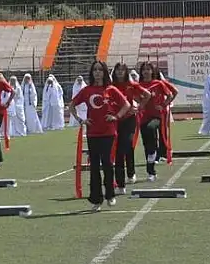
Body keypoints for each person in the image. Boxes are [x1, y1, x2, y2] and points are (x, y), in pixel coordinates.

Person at [69, 61, 130, 211]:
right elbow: (71, 105)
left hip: (108, 132)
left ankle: (110, 194)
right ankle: (96, 199)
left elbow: (126, 104)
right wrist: (80, 120)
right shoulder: (87, 90)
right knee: (94, 166)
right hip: (92, 133)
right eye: (95, 70)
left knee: (107, 164)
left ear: (104, 72)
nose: (97, 73)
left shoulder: (111, 89)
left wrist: (116, 116)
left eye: (100, 70)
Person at [111, 62, 152, 192]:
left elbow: (147, 95)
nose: (120, 72)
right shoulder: (111, 86)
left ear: (126, 72)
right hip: (115, 120)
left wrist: (139, 108)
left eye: (122, 70)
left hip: (129, 120)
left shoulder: (131, 85)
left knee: (127, 145)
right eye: (118, 70)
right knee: (118, 151)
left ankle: (130, 172)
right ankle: (120, 182)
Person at [137, 62, 177, 180]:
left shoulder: (158, 84)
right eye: (144, 69)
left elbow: (170, 95)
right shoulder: (139, 85)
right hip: (143, 116)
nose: (146, 72)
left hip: (157, 116)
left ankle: (156, 151)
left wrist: (163, 105)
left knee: (151, 129)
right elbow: (135, 97)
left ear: (152, 71)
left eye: (148, 69)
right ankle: (151, 171)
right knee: (146, 143)